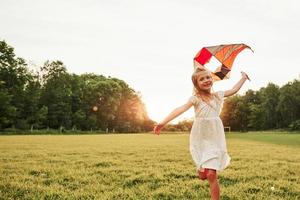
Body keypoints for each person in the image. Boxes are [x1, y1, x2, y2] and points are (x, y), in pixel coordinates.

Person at [153, 67, 249, 200]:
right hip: (200, 137)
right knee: (203, 175)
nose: (206, 80)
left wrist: (243, 78)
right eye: (201, 79)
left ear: (212, 79)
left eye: (208, 77)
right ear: (196, 83)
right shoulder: (195, 99)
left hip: (215, 136)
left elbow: (234, 90)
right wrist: (163, 122)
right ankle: (202, 168)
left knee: (211, 175)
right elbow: (180, 109)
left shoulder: (218, 95)